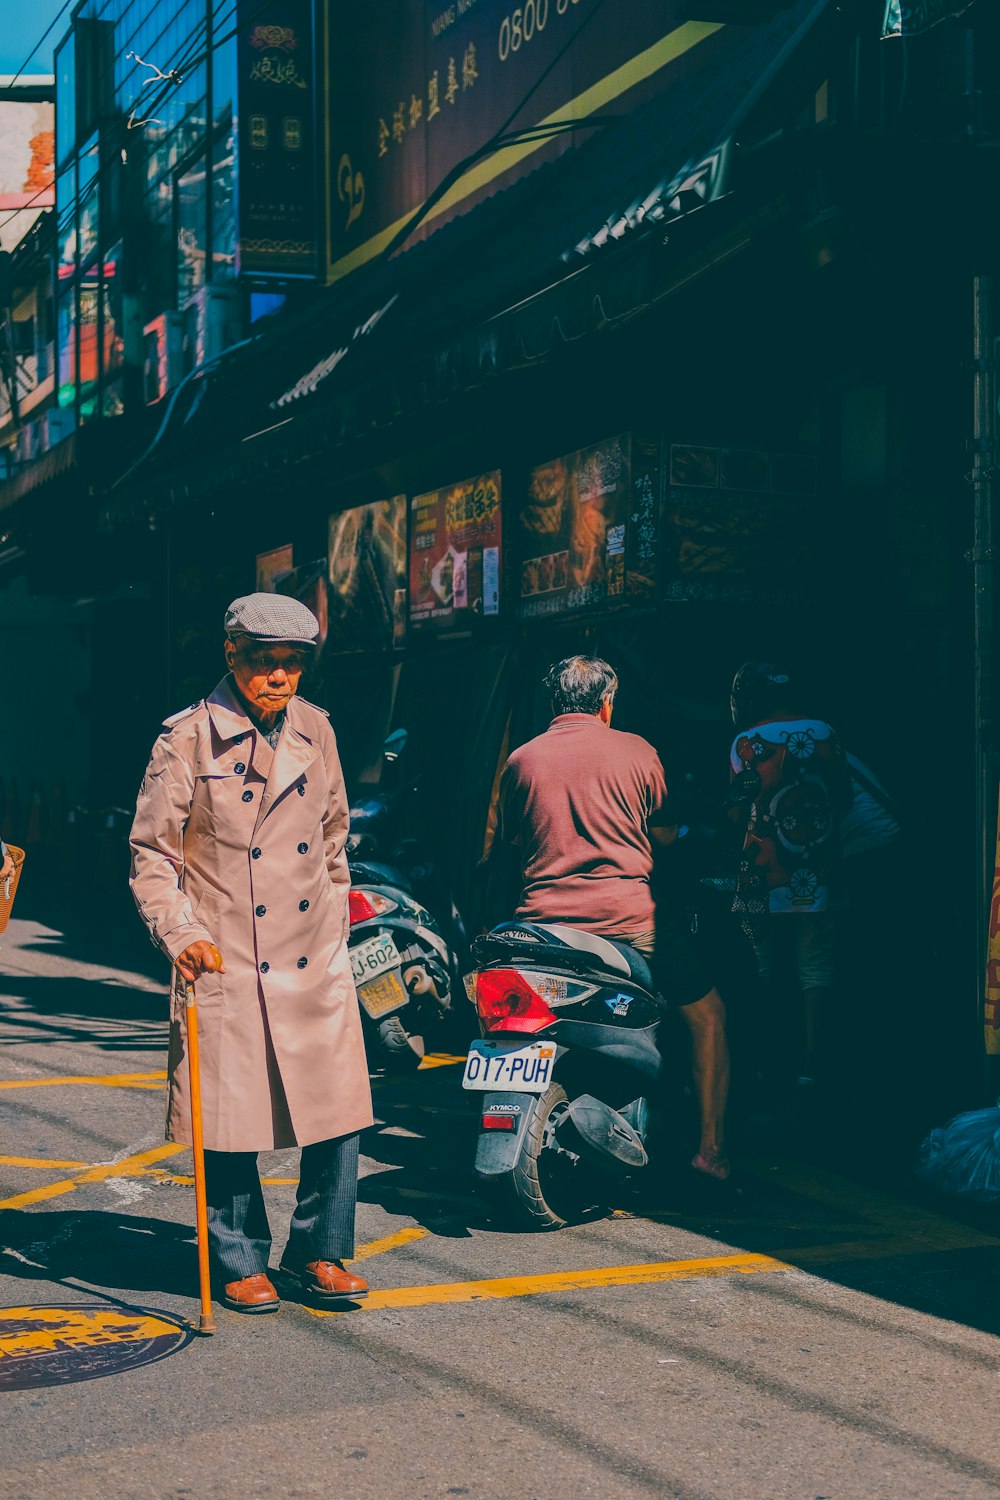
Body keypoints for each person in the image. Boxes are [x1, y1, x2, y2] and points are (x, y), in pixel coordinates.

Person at [129, 593, 373, 1314]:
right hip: (226, 953)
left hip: (311, 955)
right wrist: (182, 934)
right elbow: (151, 854)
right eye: (265, 661)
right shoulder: (186, 740)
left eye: (292, 663)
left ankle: (320, 1252)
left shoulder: (317, 732)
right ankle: (238, 1259)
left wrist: (332, 920)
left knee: (337, 1112)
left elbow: (334, 835)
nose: (279, 676)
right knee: (230, 1119)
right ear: (231, 655)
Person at [494, 655, 731, 1182]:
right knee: (708, 1013)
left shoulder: (521, 760)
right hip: (628, 923)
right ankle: (710, 1153)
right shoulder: (636, 750)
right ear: (606, 703)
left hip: (541, 928)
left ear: (554, 702)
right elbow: (666, 835)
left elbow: (513, 840)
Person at [727, 661, 852, 1087]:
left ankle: (766, 1060)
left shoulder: (745, 741)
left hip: (760, 874)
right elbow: (845, 799)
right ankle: (813, 1065)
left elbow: (735, 811)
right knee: (816, 965)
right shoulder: (827, 733)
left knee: (762, 965)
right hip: (818, 869)